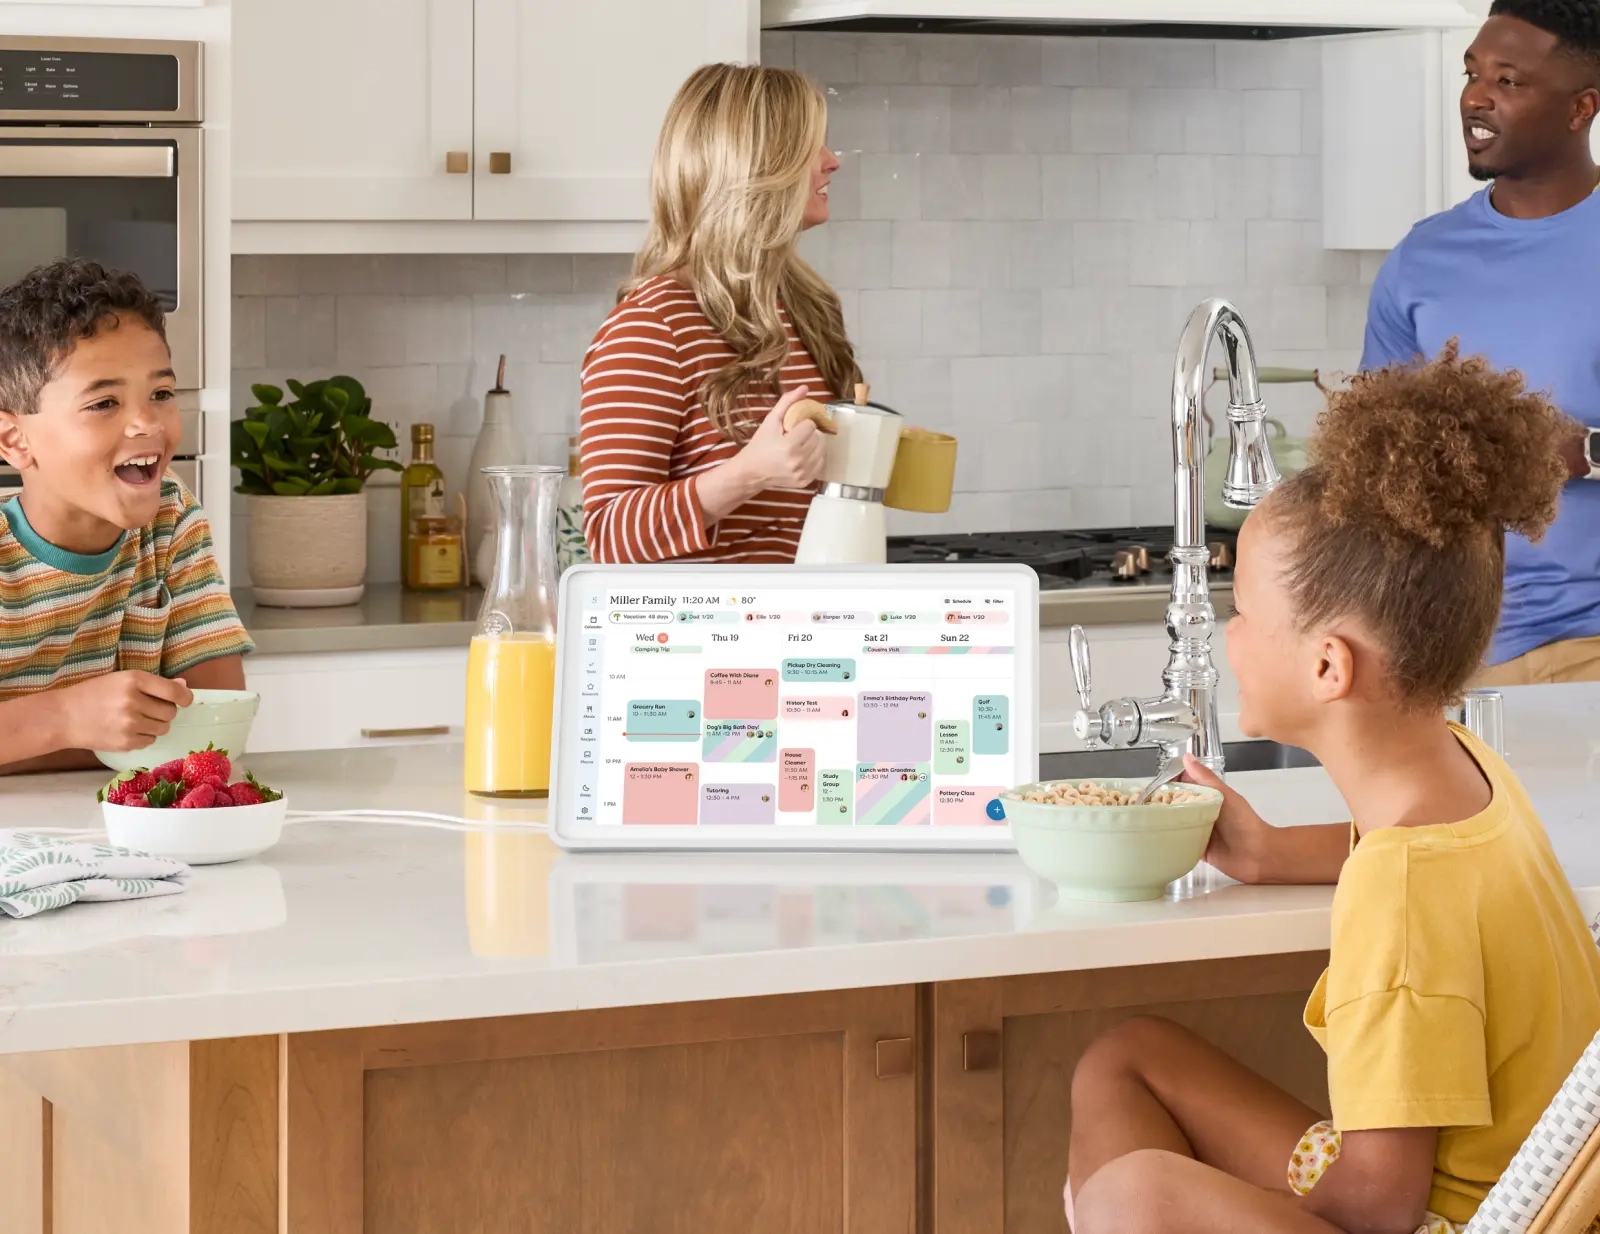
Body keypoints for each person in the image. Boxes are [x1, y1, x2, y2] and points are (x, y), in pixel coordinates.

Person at [1063, 347, 1600, 1234]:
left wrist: (1215, 1204)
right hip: (1450, 1192)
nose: (1225, 639)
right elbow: (1427, 864)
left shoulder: (1396, 899)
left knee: (1137, 1195)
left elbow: (1379, 1202)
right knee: (1127, 1059)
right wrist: (1271, 852)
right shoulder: (1462, 773)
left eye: (1240, 615)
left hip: (1438, 1221)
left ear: (1326, 666)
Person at [1363, 0, 1600, 685]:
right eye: (1472, 74)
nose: (1476, 97)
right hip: (1452, 654)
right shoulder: (1421, 258)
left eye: (1509, 81)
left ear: (1581, 108)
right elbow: (1373, 457)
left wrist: (1582, 453)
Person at [578, 63, 858, 564]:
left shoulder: (804, 308)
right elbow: (608, 535)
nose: (832, 162)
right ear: (755, 166)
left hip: (801, 631)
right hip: (706, 640)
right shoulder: (653, 327)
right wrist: (749, 472)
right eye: (810, 146)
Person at [0, 259, 251, 775]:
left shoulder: (172, 524)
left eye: (160, 394)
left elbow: (216, 724)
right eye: (104, 402)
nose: (146, 423)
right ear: (14, 440)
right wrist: (66, 717)